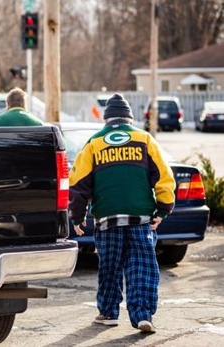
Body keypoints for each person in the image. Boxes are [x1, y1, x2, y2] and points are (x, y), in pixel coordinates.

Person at [68, 93, 175, 334]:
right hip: (140, 219)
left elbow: (78, 184)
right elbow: (164, 177)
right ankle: (142, 315)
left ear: (106, 120)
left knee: (110, 266)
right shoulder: (145, 139)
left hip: (107, 219)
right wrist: (163, 209)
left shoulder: (94, 143)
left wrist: (77, 217)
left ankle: (108, 313)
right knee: (141, 266)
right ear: (130, 119)